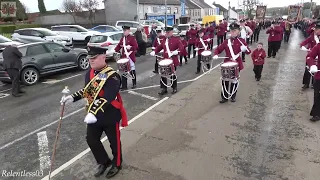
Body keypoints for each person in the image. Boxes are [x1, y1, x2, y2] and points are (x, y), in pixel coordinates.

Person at [60, 46, 128, 178]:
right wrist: (72, 97)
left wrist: (93, 113)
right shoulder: (90, 74)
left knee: (114, 141)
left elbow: (107, 98)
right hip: (94, 115)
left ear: (104, 56)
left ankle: (117, 163)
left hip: (109, 114)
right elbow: (88, 91)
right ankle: (104, 161)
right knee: (91, 140)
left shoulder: (112, 76)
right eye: (90, 58)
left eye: (94, 58)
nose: (91, 60)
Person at [213, 22, 251, 103]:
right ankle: (224, 97)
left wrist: (245, 49)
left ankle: (233, 96)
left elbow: (248, 52)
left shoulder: (241, 41)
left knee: (234, 80)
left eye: (235, 30)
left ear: (238, 31)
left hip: (237, 63)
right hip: (227, 63)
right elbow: (218, 49)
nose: (233, 32)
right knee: (225, 80)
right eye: (232, 30)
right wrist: (216, 54)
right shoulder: (226, 41)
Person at [150, 27, 184, 95]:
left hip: (172, 60)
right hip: (165, 59)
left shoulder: (176, 39)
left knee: (172, 74)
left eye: (168, 32)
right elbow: (160, 46)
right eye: (166, 32)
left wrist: (177, 51)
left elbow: (181, 47)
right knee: (163, 74)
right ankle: (163, 88)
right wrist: (155, 51)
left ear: (171, 32)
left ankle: (174, 87)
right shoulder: (165, 40)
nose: (167, 34)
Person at [114, 25, 138, 90]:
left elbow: (136, 47)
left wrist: (131, 47)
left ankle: (134, 83)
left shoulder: (132, 38)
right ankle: (124, 86)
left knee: (132, 70)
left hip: (130, 57)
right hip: (124, 57)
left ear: (129, 31)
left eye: (125, 30)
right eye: (123, 31)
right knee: (123, 71)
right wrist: (115, 50)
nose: (124, 32)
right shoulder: (122, 39)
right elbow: (119, 46)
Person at [300, 21, 320, 89]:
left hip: (318, 56)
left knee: (316, 70)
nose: (317, 32)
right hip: (312, 54)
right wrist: (302, 45)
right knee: (307, 70)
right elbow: (306, 41)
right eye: (316, 30)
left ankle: (313, 84)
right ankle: (306, 83)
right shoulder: (312, 36)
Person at [305, 42, 320, 121]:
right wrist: (312, 65)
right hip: (319, 75)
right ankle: (316, 114)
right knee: (317, 95)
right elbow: (310, 56)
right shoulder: (318, 46)